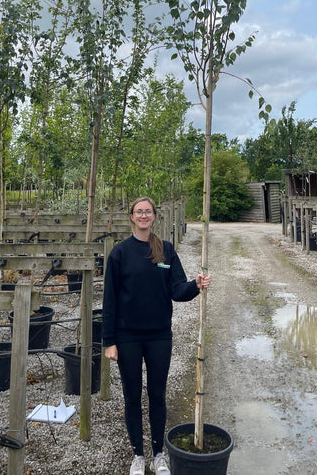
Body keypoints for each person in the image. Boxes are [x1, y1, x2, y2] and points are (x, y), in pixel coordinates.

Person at [102, 196, 211, 475]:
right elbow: (110, 300)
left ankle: (158, 453)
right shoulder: (119, 253)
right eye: (139, 211)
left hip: (159, 335)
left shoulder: (165, 250)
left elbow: (177, 289)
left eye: (148, 211)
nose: (143, 215)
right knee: (132, 396)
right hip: (127, 336)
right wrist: (109, 341)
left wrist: (196, 285)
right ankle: (138, 454)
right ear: (131, 216)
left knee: (157, 394)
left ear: (154, 216)